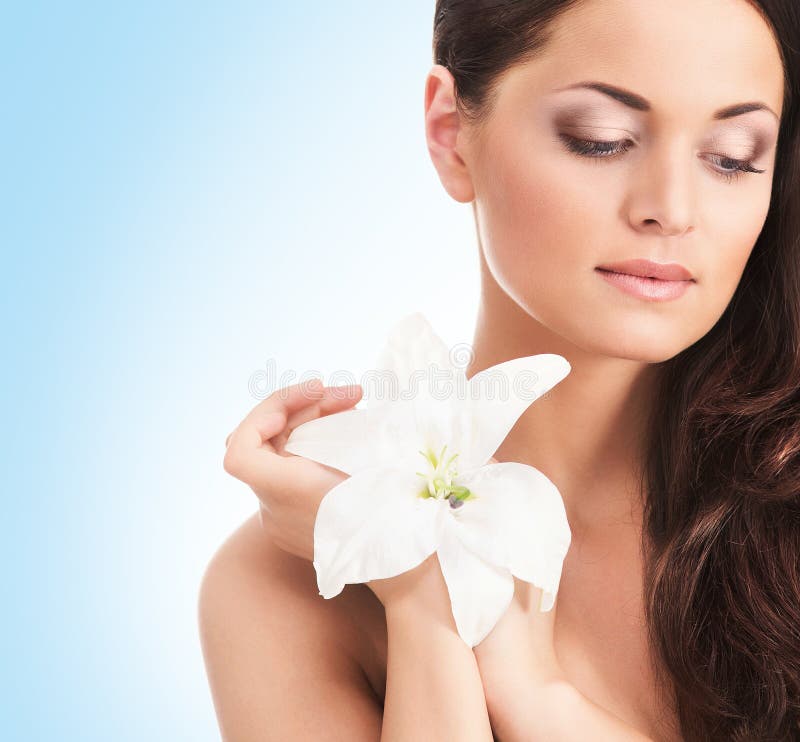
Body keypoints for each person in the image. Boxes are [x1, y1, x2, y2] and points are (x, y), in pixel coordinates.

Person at [198, 1, 800, 739]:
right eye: (601, 140)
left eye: (733, 156)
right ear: (450, 133)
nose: (672, 210)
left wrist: (532, 695)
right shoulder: (282, 580)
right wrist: (423, 599)